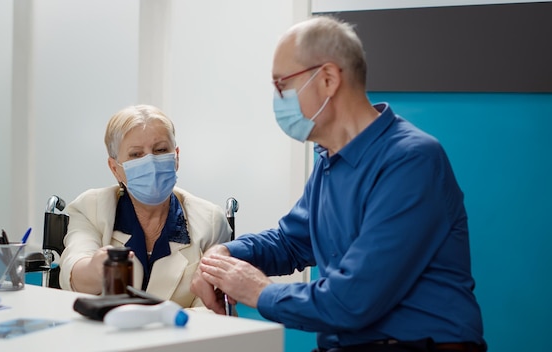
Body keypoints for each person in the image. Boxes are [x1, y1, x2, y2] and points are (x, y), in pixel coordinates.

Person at [190, 16, 487, 351]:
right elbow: (291, 242)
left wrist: (257, 291)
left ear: (328, 79)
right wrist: (226, 255)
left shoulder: (412, 161)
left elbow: (352, 300)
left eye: (281, 84)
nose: (277, 99)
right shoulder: (331, 161)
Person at [60, 104, 232, 310]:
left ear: (176, 157)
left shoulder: (210, 221)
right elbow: (73, 273)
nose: (150, 162)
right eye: (136, 155)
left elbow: (211, 310)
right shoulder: (90, 208)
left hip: (178, 338)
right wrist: (97, 269)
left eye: (160, 150)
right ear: (115, 168)